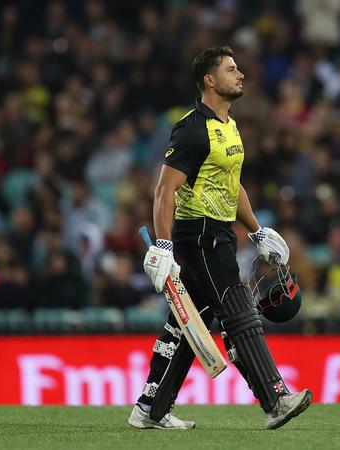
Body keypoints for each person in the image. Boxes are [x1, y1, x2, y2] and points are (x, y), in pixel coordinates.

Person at [128, 46, 312, 430]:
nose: (240, 74)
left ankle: (150, 407)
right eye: (231, 69)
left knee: (186, 323)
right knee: (238, 309)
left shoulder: (228, 126)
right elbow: (164, 191)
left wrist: (257, 231)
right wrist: (163, 246)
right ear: (209, 80)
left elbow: (232, 185)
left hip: (221, 232)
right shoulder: (193, 128)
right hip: (201, 236)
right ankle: (275, 399)